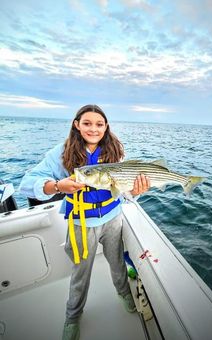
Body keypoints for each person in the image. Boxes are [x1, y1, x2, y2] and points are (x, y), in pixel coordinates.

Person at [19, 104, 150, 340]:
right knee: (81, 273)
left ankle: (124, 293)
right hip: (81, 223)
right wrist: (58, 186)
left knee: (118, 262)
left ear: (106, 126)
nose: (93, 129)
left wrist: (137, 190)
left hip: (113, 218)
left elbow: (127, 193)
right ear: (76, 125)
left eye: (99, 124)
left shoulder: (116, 152)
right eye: (87, 123)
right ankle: (72, 316)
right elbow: (28, 182)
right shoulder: (62, 152)